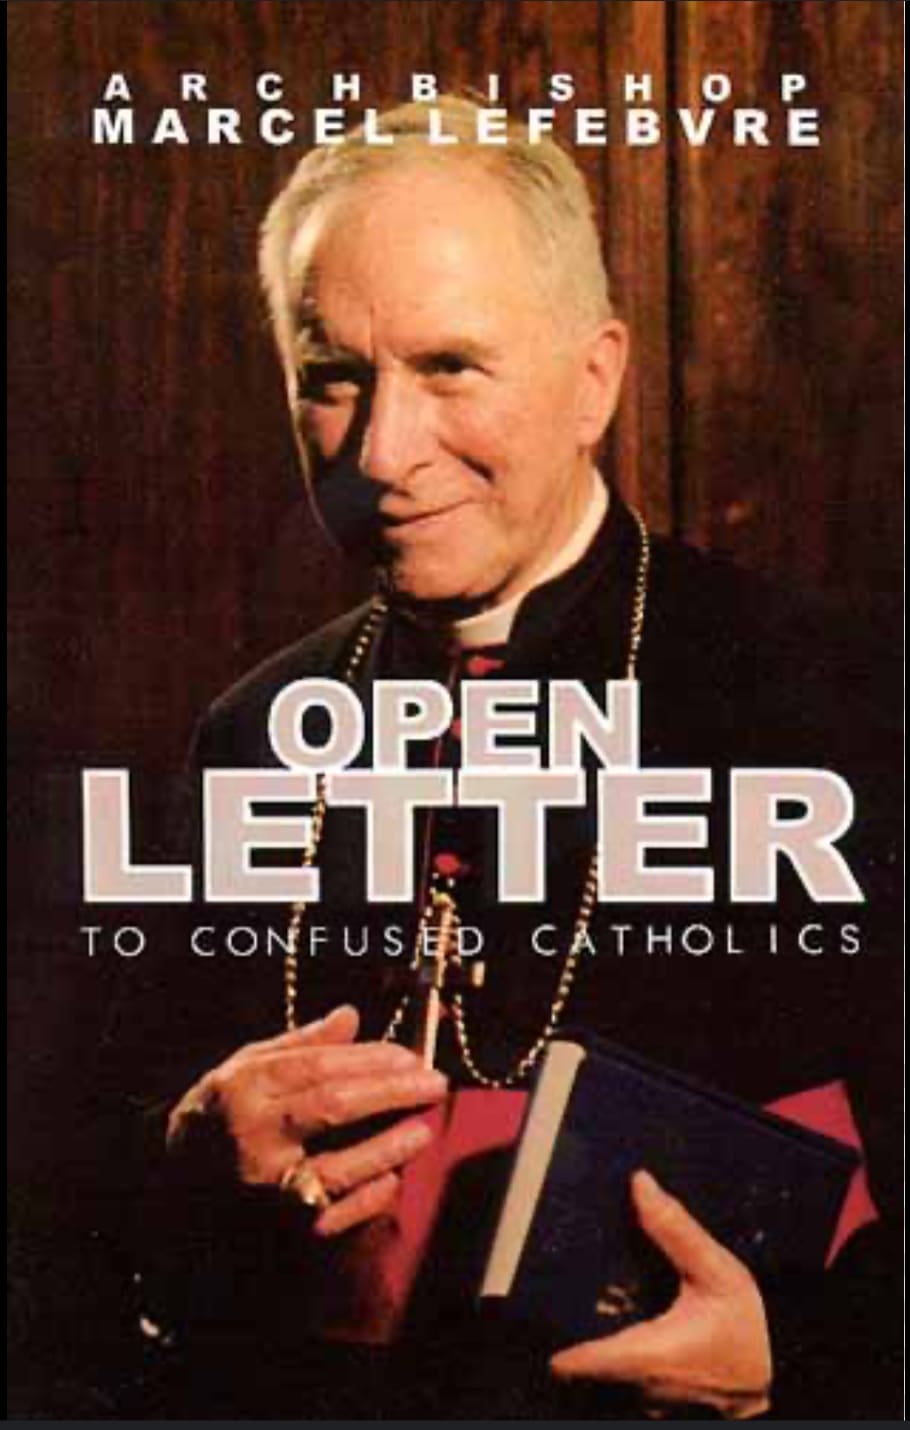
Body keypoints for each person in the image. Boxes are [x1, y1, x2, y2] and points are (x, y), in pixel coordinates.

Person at [129, 97, 900, 1419]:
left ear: (593, 379)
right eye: (332, 376)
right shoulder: (253, 729)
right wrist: (187, 1158)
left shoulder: (831, 703)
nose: (383, 454)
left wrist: (798, 1362)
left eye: (450, 368)